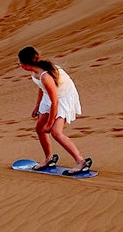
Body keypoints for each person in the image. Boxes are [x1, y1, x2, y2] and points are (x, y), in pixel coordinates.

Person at [17, 46, 92, 175]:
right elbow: (42, 87)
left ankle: (81, 162)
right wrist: (37, 105)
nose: (19, 65)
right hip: (50, 97)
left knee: (56, 132)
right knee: (40, 129)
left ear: (26, 64)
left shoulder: (46, 76)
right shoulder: (35, 71)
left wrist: (50, 123)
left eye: (20, 63)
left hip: (63, 98)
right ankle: (49, 159)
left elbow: (55, 101)